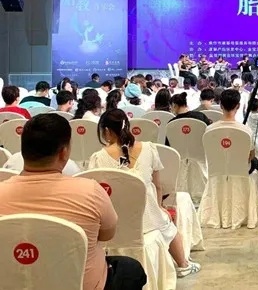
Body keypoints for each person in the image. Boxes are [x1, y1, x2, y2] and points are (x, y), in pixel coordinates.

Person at [0, 114, 147, 289]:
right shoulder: (91, 192)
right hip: (82, 285)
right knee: (131, 269)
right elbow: (107, 235)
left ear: (23, 150)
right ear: (64, 152)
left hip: (12, 284)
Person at [89, 109, 200, 278]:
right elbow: (158, 185)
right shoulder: (148, 148)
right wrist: (160, 206)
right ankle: (183, 265)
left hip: (116, 221)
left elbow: (97, 193)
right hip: (149, 218)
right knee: (169, 227)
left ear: (106, 131)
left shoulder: (98, 158)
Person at [204, 89, 258, 173]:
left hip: (216, 173)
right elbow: (251, 155)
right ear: (238, 106)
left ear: (221, 105)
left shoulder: (209, 129)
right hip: (239, 173)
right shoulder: (246, 131)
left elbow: (207, 153)